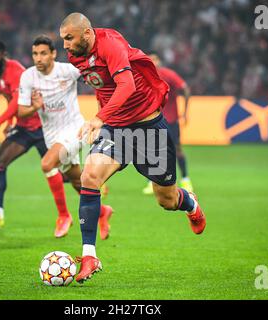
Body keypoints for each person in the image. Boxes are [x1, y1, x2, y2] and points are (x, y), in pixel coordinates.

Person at [59, 13, 206, 283]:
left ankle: (190, 204)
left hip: (150, 129)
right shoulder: (75, 56)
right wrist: (104, 120)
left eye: (69, 38)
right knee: (89, 176)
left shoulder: (110, 43)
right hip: (116, 129)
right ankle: (90, 255)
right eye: (63, 40)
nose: (65, 45)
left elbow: (126, 86)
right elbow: (101, 85)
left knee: (166, 199)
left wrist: (99, 117)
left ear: (87, 34)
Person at [17, 35, 113, 239]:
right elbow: (21, 110)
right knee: (79, 182)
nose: (38, 58)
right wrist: (34, 107)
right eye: (35, 54)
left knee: (46, 164)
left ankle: (63, 216)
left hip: (74, 129)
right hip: (51, 135)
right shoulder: (28, 77)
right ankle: (103, 212)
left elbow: (93, 75)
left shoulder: (68, 70)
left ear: (53, 54)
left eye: (43, 53)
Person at [0, 40, 67, 237]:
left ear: (4, 54)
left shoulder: (15, 70)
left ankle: (92, 186)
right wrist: (10, 124)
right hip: (24, 128)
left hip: (42, 126)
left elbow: (17, 101)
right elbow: (11, 100)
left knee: (62, 172)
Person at [142, 53, 193, 195]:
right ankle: (151, 183)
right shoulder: (143, 75)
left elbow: (186, 89)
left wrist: (185, 112)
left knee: (177, 149)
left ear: (159, 61)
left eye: (155, 59)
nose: (153, 61)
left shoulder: (168, 74)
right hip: (152, 119)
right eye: (149, 59)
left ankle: (185, 179)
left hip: (170, 120)